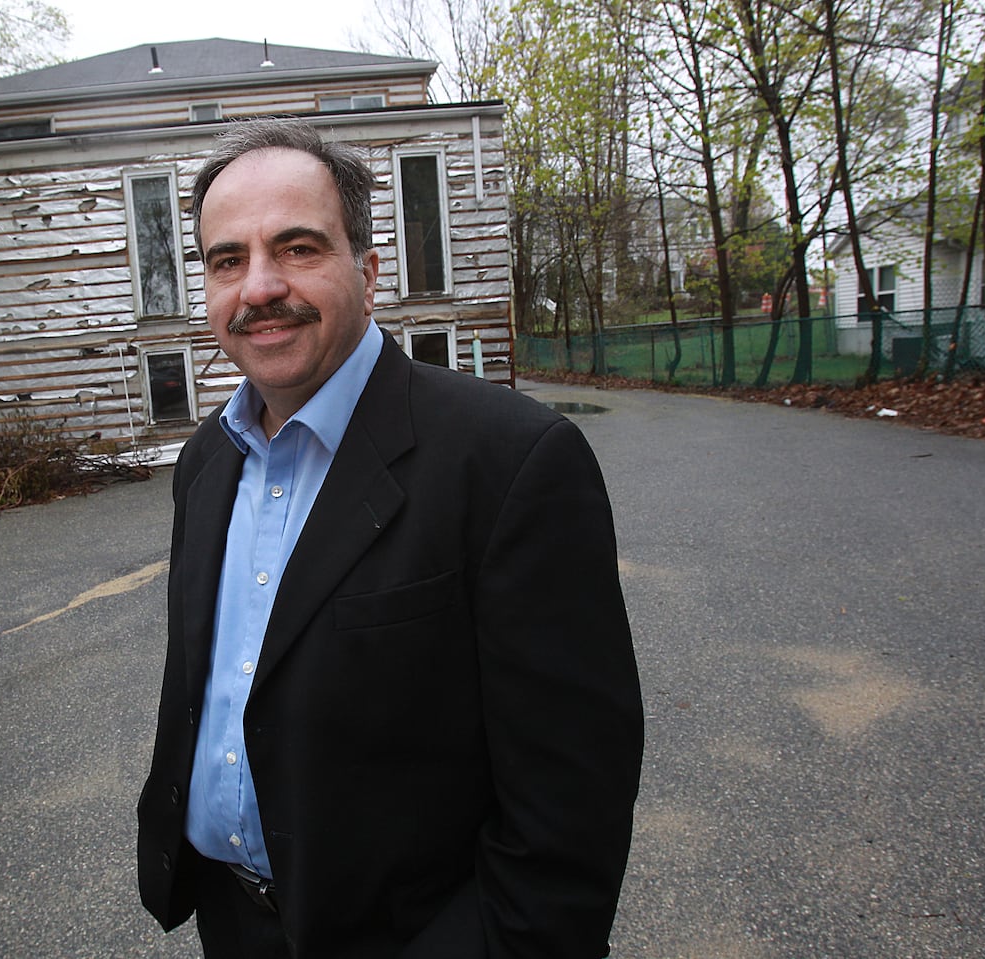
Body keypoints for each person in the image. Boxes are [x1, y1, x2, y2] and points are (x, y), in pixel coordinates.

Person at [137, 117, 643, 958]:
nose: (259, 286)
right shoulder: (206, 462)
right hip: (235, 924)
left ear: (368, 275)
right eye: (228, 259)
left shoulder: (511, 462)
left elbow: (568, 822)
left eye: (297, 248)